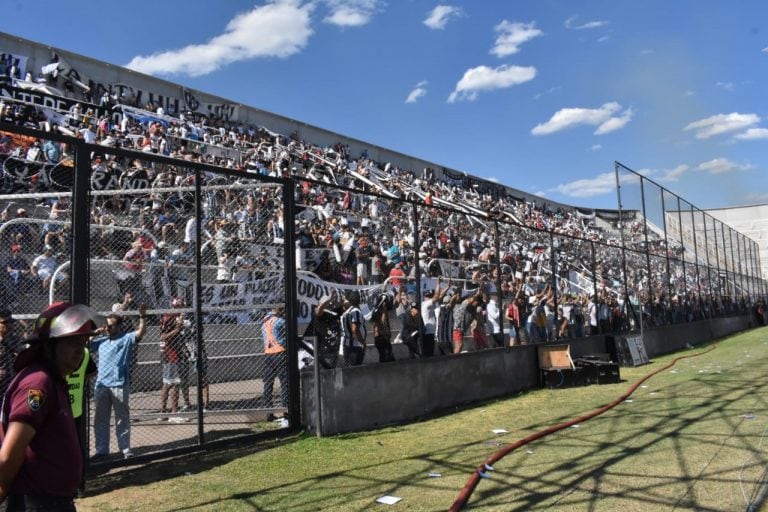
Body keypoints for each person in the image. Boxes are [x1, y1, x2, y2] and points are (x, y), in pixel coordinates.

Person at [0, 302, 100, 511]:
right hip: (37, 503)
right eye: (72, 343)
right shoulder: (37, 383)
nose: (80, 351)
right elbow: (9, 455)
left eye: (82, 343)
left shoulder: (53, 380)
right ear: (48, 346)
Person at [90, 304, 146, 459]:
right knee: (100, 419)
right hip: (101, 385)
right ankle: (101, 451)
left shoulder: (126, 339)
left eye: (111, 326)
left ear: (119, 326)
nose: (108, 329)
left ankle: (125, 449)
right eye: (106, 326)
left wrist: (142, 316)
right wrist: (95, 333)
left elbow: (140, 333)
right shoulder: (101, 340)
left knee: (122, 418)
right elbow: (84, 345)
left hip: (119, 384)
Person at [159, 299, 192, 421]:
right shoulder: (171, 317)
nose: (184, 310)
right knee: (173, 383)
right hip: (171, 354)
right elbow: (163, 337)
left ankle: (163, 413)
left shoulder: (171, 316)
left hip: (170, 353)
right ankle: (173, 413)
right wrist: (177, 330)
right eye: (182, 307)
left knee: (167, 383)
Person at [261, 307, 287, 408]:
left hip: (268, 353)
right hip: (280, 352)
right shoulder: (281, 321)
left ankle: (268, 409)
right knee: (285, 383)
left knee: (268, 383)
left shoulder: (264, 320)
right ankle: (286, 410)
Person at [340, 290, 367, 366]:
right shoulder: (356, 311)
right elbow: (355, 329)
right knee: (355, 370)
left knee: (349, 371)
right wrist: (362, 342)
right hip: (355, 346)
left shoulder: (346, 312)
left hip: (347, 346)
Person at [370, 292, 394, 362]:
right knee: (384, 358)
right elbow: (380, 325)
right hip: (381, 339)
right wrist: (383, 312)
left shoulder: (383, 311)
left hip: (385, 338)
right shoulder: (376, 312)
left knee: (390, 358)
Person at [0, 308, 19, 398]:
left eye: (10, 322)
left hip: (10, 387)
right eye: (4, 322)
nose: (8, 325)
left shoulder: (14, 340)